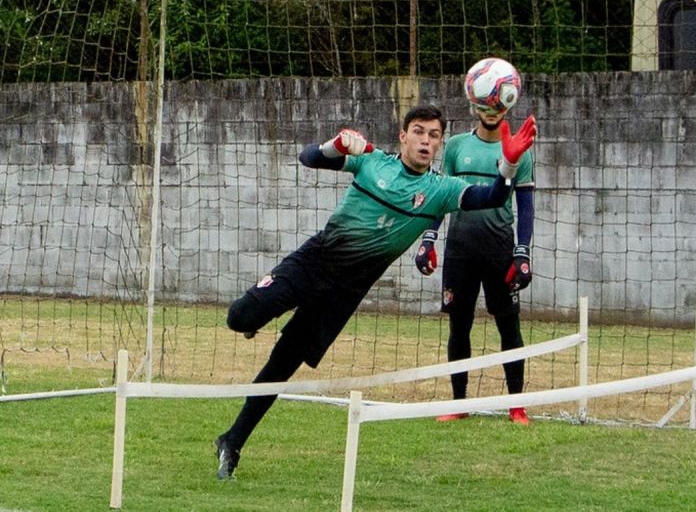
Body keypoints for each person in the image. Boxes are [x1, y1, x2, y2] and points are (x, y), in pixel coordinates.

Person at [215, 104, 536, 479]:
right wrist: (337, 144)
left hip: (345, 293)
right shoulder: (371, 161)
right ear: (403, 135)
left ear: (439, 145)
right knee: (239, 318)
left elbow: (494, 197)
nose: (426, 141)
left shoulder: (441, 190)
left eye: (434, 135)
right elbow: (308, 157)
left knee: (282, 365)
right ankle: (261, 314)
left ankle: (232, 441)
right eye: (418, 131)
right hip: (314, 262)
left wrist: (509, 164)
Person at [413, 102, 536, 425]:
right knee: (459, 325)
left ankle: (516, 405)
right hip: (460, 250)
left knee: (509, 326)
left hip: (499, 250)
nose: (491, 111)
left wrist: (522, 251)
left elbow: (526, 205)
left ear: (506, 105)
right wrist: (428, 239)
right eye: (485, 104)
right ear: (474, 105)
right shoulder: (455, 146)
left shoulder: (519, 149)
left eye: (497, 104)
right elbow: (441, 195)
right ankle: (459, 402)